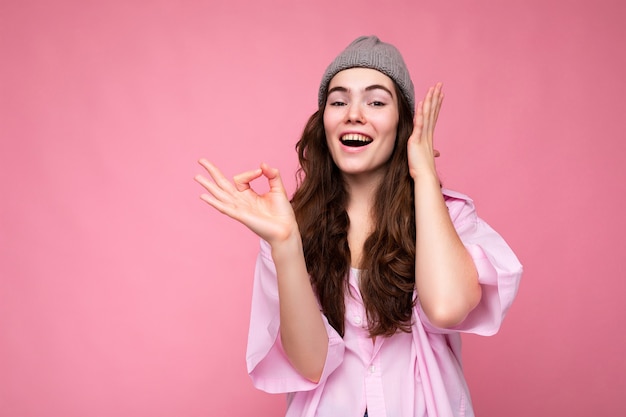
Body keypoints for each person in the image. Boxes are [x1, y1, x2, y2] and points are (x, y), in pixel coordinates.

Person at [195, 36, 522, 417]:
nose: (354, 113)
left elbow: (447, 307)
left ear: (402, 123)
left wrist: (424, 174)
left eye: (376, 101)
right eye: (338, 101)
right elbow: (310, 364)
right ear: (324, 123)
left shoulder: (450, 219)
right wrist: (285, 243)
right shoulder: (288, 226)